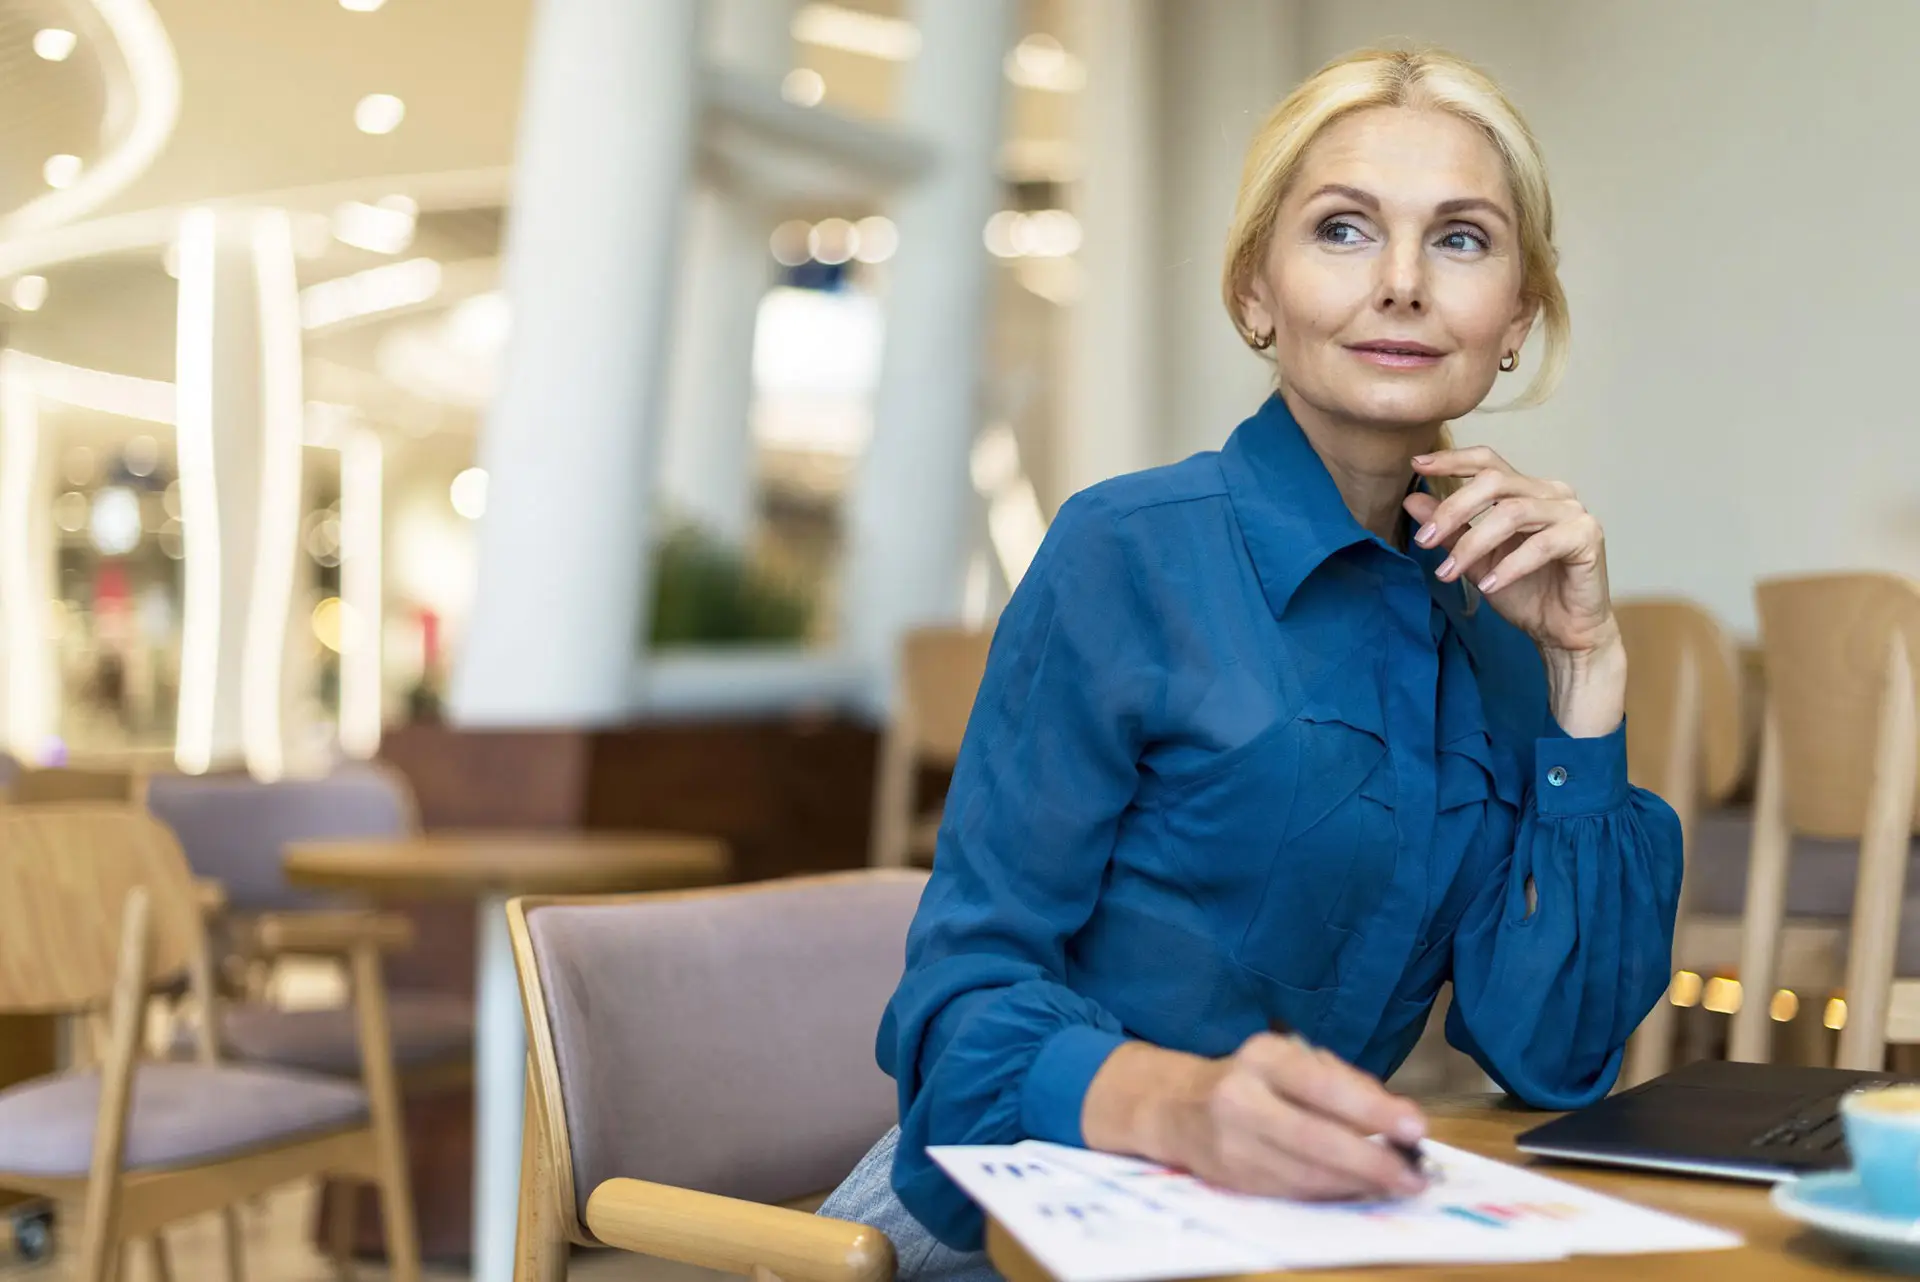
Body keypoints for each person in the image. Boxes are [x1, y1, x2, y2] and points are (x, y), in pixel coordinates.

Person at [821, 46, 1681, 1281]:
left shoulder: (1503, 619)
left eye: (1459, 239)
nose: (1400, 284)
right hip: (1014, 1213)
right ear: (1255, 293)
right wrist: (1184, 1110)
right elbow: (960, 1021)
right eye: (1343, 229)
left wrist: (1584, 679)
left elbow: (1553, 1054)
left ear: (1518, 317)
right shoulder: (1125, 550)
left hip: (1287, 1227)